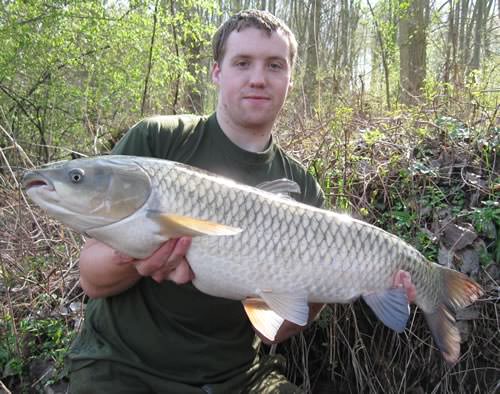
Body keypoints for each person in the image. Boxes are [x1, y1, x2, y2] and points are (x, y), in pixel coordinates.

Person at [67, 9, 415, 393]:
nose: (258, 79)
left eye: (274, 66)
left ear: (290, 79)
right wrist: (138, 254)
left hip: (235, 378)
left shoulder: (299, 186)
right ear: (217, 71)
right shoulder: (158, 144)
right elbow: (92, 279)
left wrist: (329, 284)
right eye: (243, 62)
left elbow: (274, 332)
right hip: (122, 368)